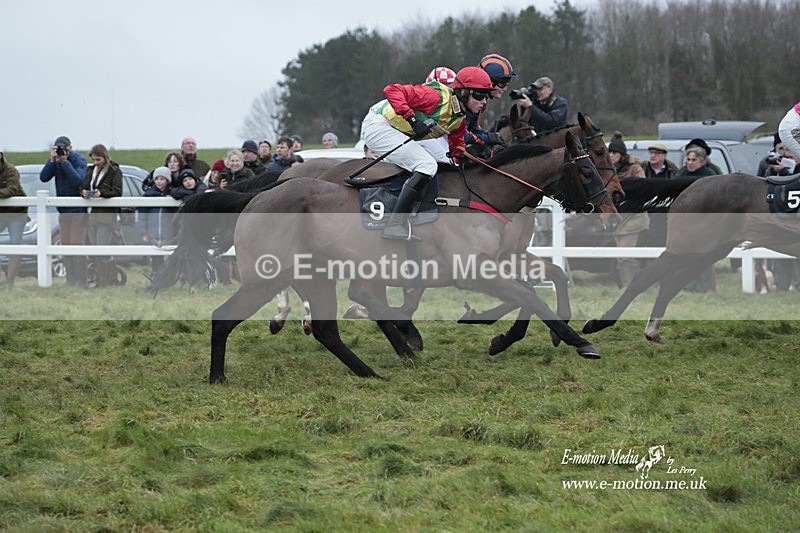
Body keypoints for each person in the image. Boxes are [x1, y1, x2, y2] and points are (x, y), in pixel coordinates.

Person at [360, 66, 494, 240]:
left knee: (433, 164)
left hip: (393, 130)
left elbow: (456, 150)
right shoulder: (436, 97)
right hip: (378, 125)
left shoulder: (458, 120)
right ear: (463, 93)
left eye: (486, 97)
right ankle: (394, 224)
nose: (484, 102)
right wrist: (412, 120)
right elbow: (392, 90)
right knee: (427, 164)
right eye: (479, 95)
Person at [39, 135, 89, 287]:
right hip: (63, 210)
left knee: (76, 244)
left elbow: (79, 181)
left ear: (70, 148)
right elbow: (43, 177)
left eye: (64, 150)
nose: (62, 152)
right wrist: (52, 161)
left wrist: (65, 163)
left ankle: (82, 280)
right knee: (65, 244)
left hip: (78, 210)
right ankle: (71, 279)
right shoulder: (56, 161)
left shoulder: (79, 160)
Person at [608, 132, 648, 288]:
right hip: (619, 216)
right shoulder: (609, 169)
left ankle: (630, 286)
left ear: (622, 154)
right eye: (609, 152)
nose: (611, 155)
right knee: (621, 256)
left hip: (635, 215)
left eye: (615, 153)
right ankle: (629, 284)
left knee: (626, 254)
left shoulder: (635, 168)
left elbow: (643, 188)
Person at [81, 144, 123, 287]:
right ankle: (102, 279)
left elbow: (117, 191)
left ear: (105, 157)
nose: (96, 163)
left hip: (106, 215)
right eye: (94, 160)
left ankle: (108, 279)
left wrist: (102, 193)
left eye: (98, 159)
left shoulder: (114, 171)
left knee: (102, 248)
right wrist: (84, 192)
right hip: (91, 214)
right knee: (95, 248)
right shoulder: (90, 170)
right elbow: (84, 185)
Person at [462, 54, 517, 156]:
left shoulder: (481, 99)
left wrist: (488, 135)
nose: (504, 89)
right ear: (490, 81)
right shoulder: (469, 97)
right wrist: (487, 138)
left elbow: (472, 126)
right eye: (502, 84)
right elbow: (461, 135)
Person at [137, 166, 177, 277]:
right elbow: (142, 215)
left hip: (168, 232)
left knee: (169, 255)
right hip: (152, 232)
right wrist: (143, 232)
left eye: (162, 179)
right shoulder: (149, 195)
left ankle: (169, 277)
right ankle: (156, 276)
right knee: (155, 255)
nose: (159, 182)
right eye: (157, 179)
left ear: (167, 181)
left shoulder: (173, 195)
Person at [0, 152, 27, 287]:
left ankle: (10, 281)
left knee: (15, 244)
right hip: (1, 213)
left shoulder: (11, 170)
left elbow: (12, 189)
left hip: (16, 213)